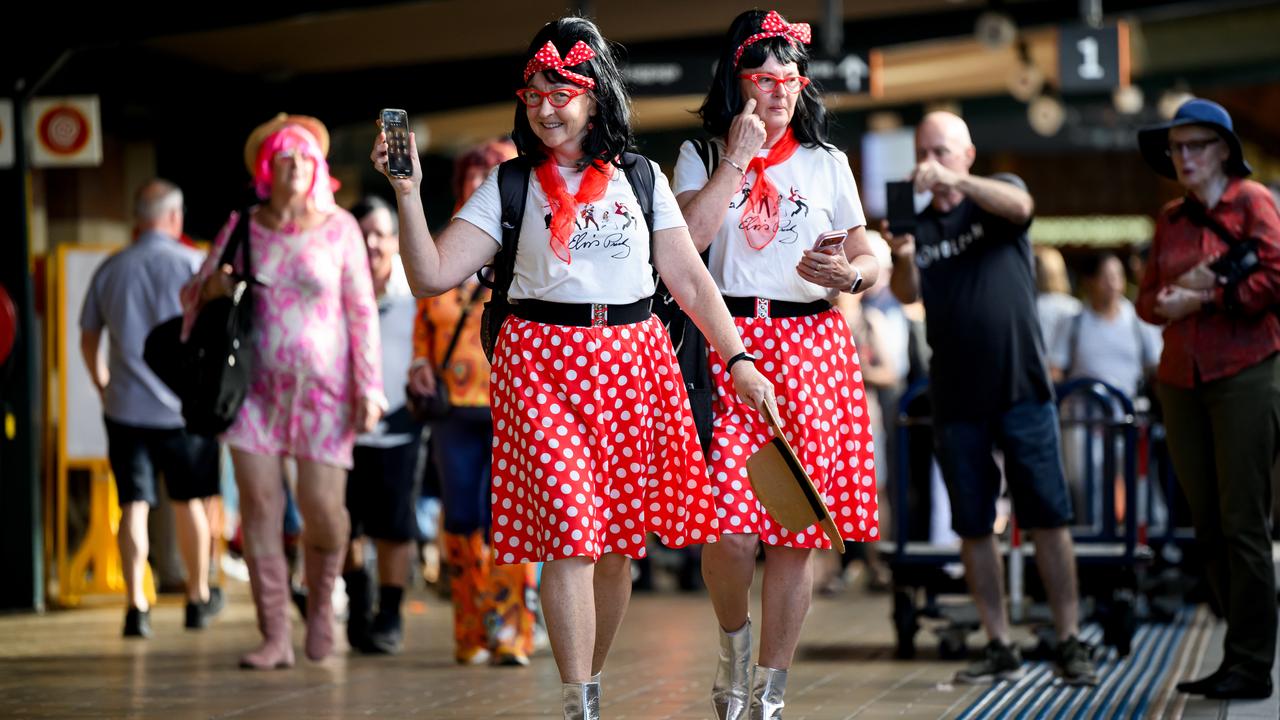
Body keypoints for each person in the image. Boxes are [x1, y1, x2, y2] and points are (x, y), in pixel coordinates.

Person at [372, 17, 774, 719]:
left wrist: (737, 356)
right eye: (532, 94)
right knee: (570, 527)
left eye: (561, 93)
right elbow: (431, 275)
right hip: (539, 365)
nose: (545, 108)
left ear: (596, 100)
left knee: (617, 547)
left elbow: (687, 278)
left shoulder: (640, 179)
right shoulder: (509, 184)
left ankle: (587, 679)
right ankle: (578, 705)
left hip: (633, 364)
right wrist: (407, 192)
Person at [673, 10, 881, 718]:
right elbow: (686, 248)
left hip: (812, 349)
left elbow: (869, 252)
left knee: (794, 534)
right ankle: (733, 652)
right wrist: (737, 159)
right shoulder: (701, 154)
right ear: (737, 83)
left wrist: (850, 274)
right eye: (764, 79)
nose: (779, 92)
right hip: (728, 342)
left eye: (791, 80)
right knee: (728, 532)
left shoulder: (828, 163)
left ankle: (770, 694)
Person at [884, 111, 1097, 686]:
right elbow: (907, 292)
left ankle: (1070, 638)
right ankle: (1000, 643)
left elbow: (1023, 211)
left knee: (1049, 517)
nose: (931, 161)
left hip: (1022, 388)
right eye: (924, 151)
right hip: (956, 398)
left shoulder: (1001, 197)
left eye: (943, 151)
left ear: (968, 154)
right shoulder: (918, 223)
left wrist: (957, 183)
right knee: (973, 525)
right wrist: (902, 253)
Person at [183, 114, 384, 669]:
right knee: (260, 507)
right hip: (252, 392)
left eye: (303, 157)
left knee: (323, 512)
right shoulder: (243, 225)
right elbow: (194, 290)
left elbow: (362, 312)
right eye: (283, 158)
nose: (294, 165)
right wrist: (217, 283)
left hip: (326, 393)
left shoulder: (341, 228)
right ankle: (274, 635)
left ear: (318, 167)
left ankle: (320, 608)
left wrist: (370, 388)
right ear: (267, 170)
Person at [1136, 98, 1279, 700]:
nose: (1184, 156)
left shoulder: (1253, 202)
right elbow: (1146, 301)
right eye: (1176, 147)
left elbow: (1275, 274)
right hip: (1180, 377)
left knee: (1243, 519)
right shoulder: (1171, 218)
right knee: (1208, 524)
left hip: (1245, 370)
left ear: (1223, 148)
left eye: (1196, 145)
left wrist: (1205, 298)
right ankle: (1236, 639)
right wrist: (1170, 300)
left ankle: (1249, 659)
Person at [409, 138, 541, 666]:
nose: (485, 180)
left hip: (514, 401)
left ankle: (511, 630)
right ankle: (471, 630)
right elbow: (424, 319)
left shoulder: (531, 242)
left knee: (509, 518)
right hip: (453, 408)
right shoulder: (447, 248)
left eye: (496, 171)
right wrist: (419, 363)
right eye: (476, 172)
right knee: (461, 519)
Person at [80, 179, 224, 637]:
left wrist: (102, 383)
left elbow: (88, 337)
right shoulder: (191, 265)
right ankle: (197, 598)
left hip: (125, 408)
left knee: (133, 505)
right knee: (190, 506)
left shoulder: (110, 268)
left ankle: (136, 606)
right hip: (183, 409)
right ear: (175, 217)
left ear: (137, 217)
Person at [342, 195, 420, 655]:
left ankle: (389, 614)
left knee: (394, 526)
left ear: (394, 240)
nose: (371, 243)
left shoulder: (415, 293)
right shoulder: (334, 289)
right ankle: (358, 599)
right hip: (341, 428)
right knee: (343, 525)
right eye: (362, 233)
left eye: (380, 234)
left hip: (399, 426)